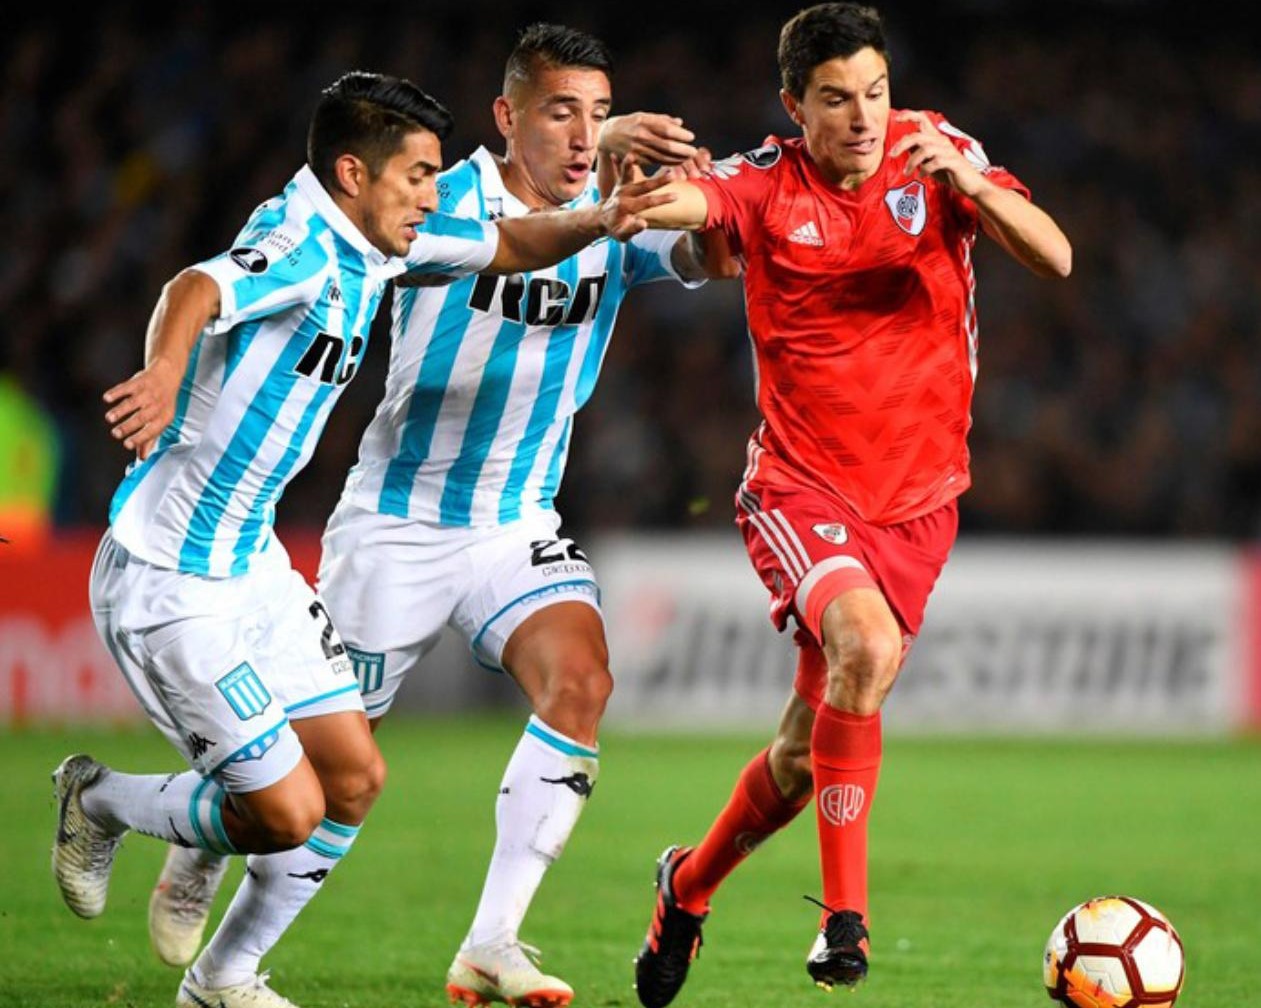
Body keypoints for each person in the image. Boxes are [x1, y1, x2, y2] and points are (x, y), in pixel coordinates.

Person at [49, 69, 671, 1008]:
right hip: (171, 579)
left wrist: (602, 220)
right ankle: (97, 799)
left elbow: (507, 243)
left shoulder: (377, 246)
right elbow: (195, 286)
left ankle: (225, 982)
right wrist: (168, 371)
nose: (432, 196)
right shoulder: (302, 245)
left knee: (352, 779)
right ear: (353, 173)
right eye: (418, 177)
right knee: (285, 811)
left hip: (253, 562)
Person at [624, 3, 1072, 1005]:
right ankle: (844, 922)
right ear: (794, 104)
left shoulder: (937, 152)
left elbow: (1056, 257)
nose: (862, 116)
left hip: (919, 503)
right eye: (835, 99)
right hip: (801, 487)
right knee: (862, 647)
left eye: (873, 91)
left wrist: (973, 188)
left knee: (799, 753)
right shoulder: (767, 181)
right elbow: (692, 202)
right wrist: (637, 190)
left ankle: (685, 888)